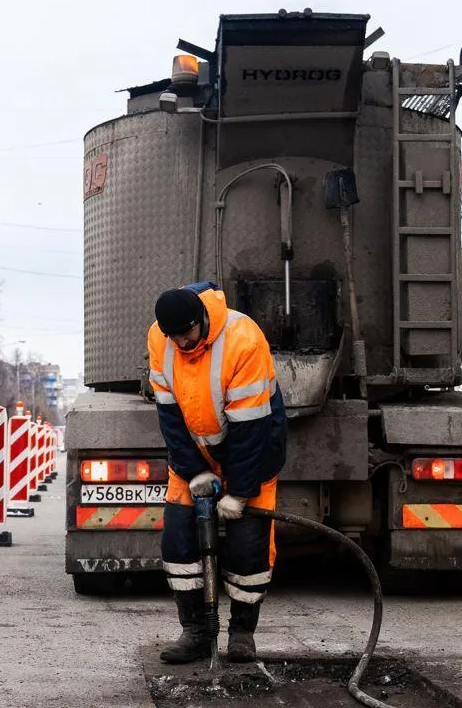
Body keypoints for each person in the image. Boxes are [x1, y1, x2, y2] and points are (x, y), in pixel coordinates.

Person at [147, 281, 287, 664]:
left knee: (248, 548)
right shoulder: (162, 341)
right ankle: (196, 631)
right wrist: (192, 470)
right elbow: (170, 414)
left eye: (186, 334)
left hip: (252, 452)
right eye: (172, 336)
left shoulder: (244, 340)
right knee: (178, 542)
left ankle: (242, 634)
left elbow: (252, 428)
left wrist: (240, 491)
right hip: (195, 453)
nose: (181, 344)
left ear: (202, 320)